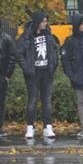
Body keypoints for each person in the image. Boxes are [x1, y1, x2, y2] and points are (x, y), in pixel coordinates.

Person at [18, 11, 60, 139]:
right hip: (33, 73)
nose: (44, 24)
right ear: (37, 22)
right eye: (43, 21)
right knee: (32, 101)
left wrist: (54, 65)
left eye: (46, 21)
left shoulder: (49, 35)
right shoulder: (26, 36)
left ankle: (48, 127)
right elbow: (19, 53)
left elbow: (55, 51)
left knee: (47, 102)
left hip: (46, 72)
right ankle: (30, 127)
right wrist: (26, 68)